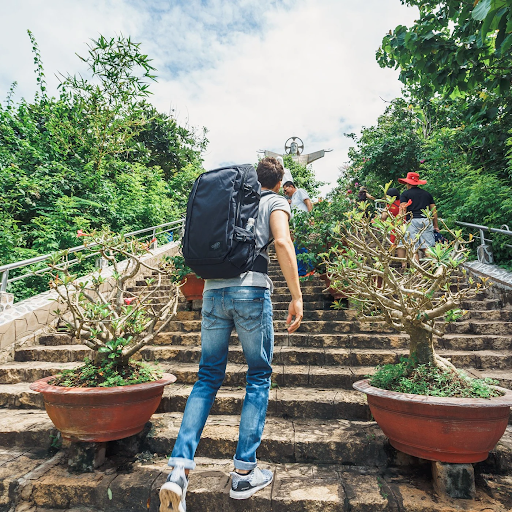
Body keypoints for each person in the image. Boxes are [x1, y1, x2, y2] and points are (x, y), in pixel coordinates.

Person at [159, 157, 304, 512]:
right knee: (257, 376)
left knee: (207, 377)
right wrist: (297, 296)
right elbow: (282, 243)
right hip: (251, 292)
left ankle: (178, 470)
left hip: (211, 292)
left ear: (254, 178)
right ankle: (243, 473)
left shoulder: (235, 201)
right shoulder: (275, 201)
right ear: (280, 179)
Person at [398, 172, 439, 264]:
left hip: (412, 222)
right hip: (426, 221)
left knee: (413, 248)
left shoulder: (405, 194)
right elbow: (434, 212)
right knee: (427, 247)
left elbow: (403, 211)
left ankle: (417, 272)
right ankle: (434, 269)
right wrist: (436, 226)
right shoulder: (427, 194)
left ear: (408, 183)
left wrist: (400, 226)